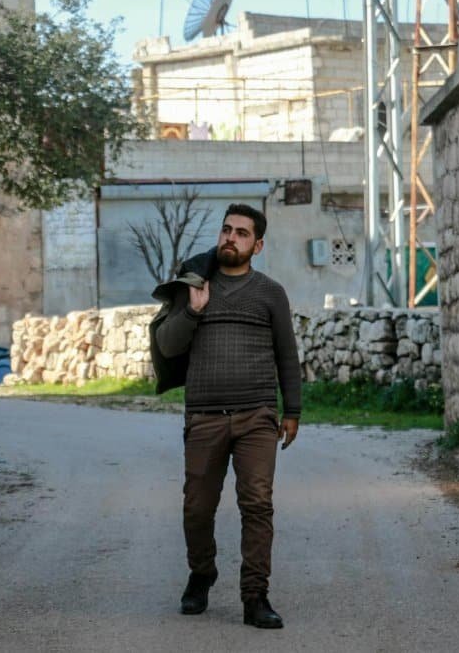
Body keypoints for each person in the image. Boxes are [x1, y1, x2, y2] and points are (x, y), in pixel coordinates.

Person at [154, 203, 301, 629]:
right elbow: (167, 345)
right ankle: (202, 573)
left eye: (241, 233)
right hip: (204, 417)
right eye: (226, 230)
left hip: (256, 416)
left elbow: (286, 355)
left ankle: (255, 597)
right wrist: (193, 309)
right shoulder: (194, 285)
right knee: (197, 508)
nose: (230, 238)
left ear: (257, 245)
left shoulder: (270, 293)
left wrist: (291, 410)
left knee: (257, 505)